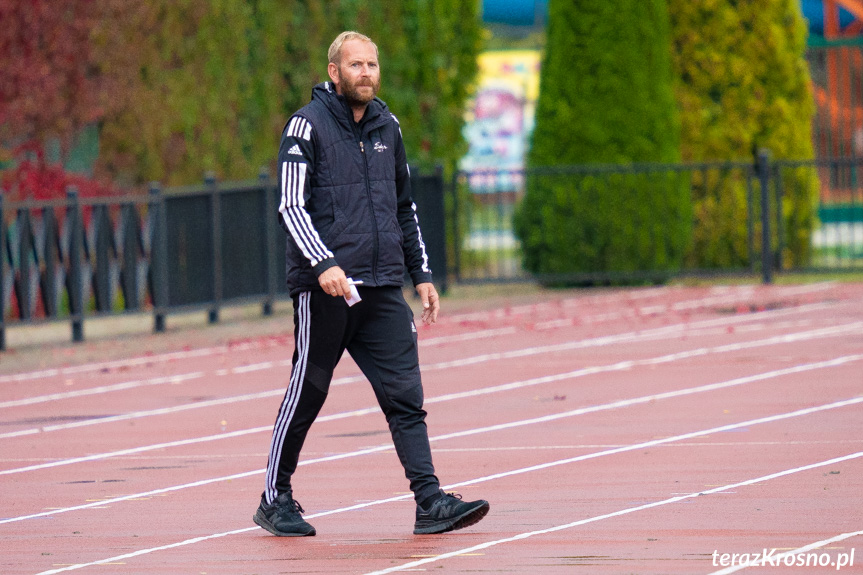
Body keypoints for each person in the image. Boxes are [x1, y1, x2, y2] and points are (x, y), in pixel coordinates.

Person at [253, 31, 489, 537]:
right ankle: (275, 498)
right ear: (334, 72)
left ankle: (429, 502)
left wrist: (421, 274)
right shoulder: (304, 127)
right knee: (307, 393)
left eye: (372, 65)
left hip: (382, 289)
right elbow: (291, 206)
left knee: (406, 395)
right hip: (327, 290)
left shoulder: (388, 124)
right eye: (355, 65)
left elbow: (403, 208)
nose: (366, 73)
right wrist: (323, 264)